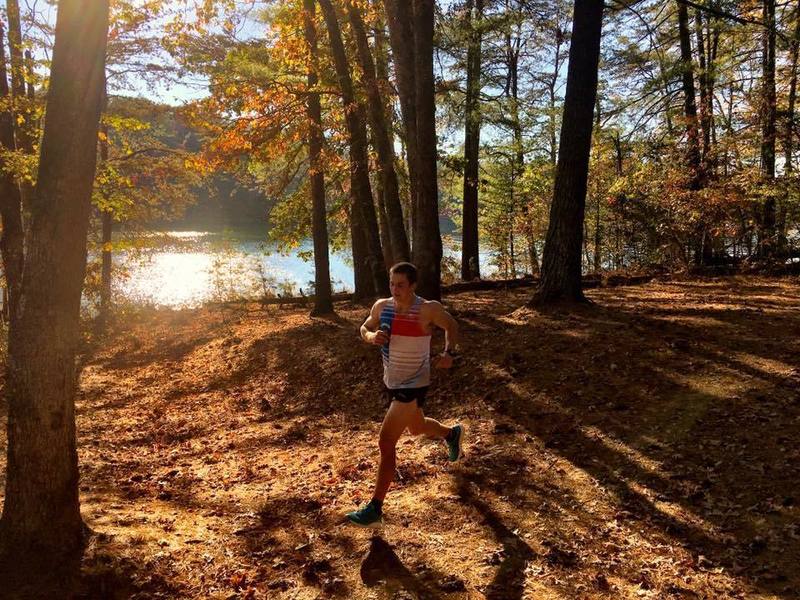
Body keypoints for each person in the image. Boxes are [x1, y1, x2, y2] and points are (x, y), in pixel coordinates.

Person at [346, 262, 465, 527]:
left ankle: (375, 508)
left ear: (412, 285)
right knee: (417, 427)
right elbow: (364, 327)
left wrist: (449, 354)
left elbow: (452, 325)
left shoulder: (427, 309)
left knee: (386, 442)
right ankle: (452, 433)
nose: (395, 289)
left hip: (414, 383)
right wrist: (371, 337)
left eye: (401, 285)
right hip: (392, 381)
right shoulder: (382, 306)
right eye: (392, 284)